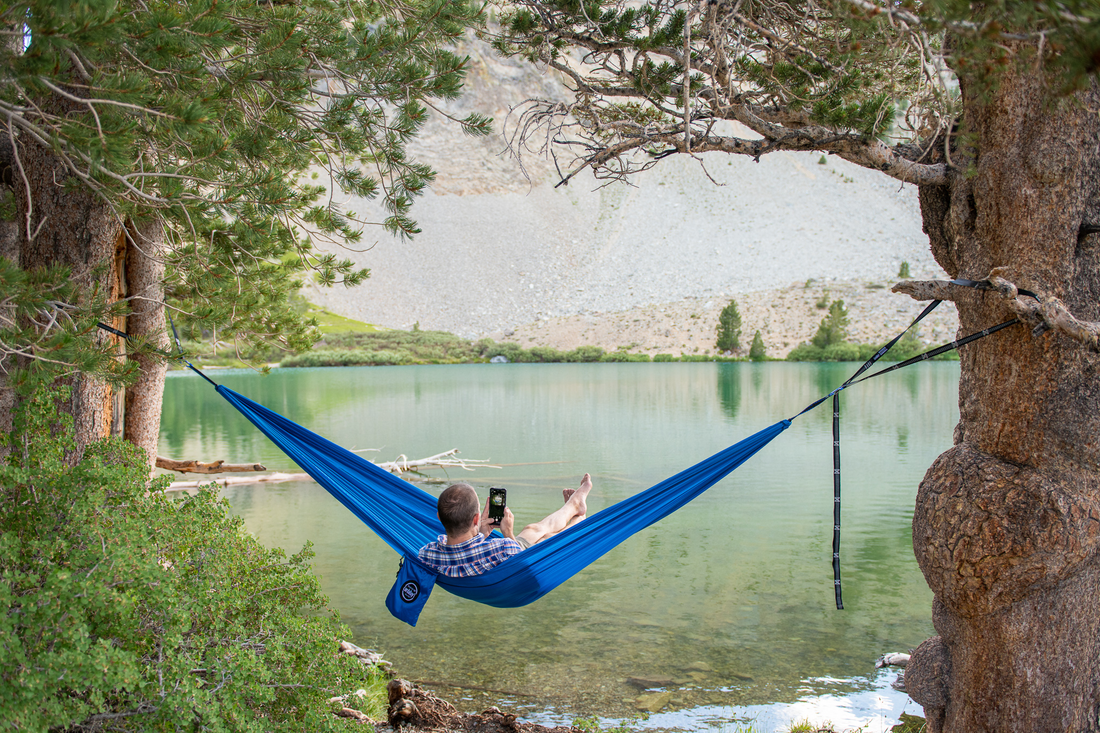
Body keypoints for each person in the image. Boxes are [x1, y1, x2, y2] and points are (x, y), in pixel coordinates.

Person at [417, 474, 592, 578]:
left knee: (532, 529)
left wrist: (480, 534)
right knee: (547, 538)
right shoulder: (503, 547)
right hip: (521, 560)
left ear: (439, 517)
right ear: (477, 518)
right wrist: (507, 532)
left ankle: (573, 506)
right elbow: (524, 564)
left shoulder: (427, 554)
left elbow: (463, 553)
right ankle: (578, 517)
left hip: (487, 556)